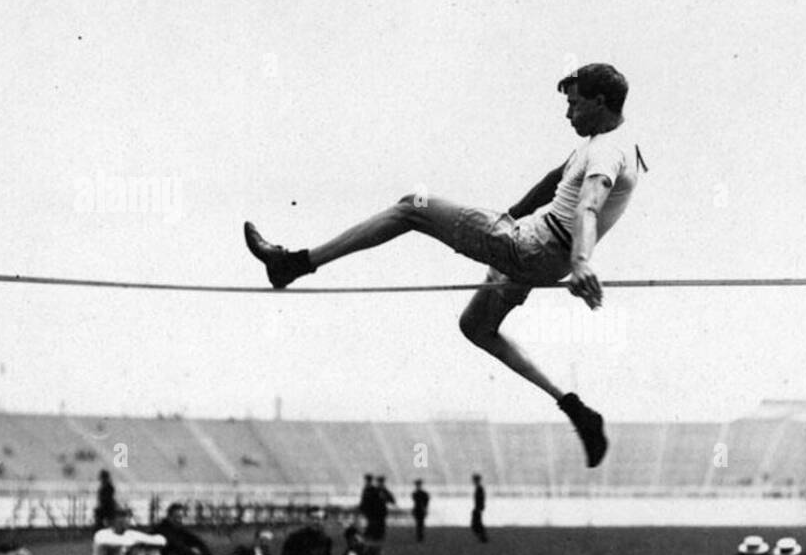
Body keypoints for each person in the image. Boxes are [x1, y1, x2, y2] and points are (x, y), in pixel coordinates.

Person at [243, 64, 647, 469]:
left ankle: (294, 264)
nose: (567, 114)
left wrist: (581, 261)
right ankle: (574, 407)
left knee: (411, 207)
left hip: (533, 249)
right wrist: (510, 215)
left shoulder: (606, 151)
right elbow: (554, 181)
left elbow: (589, 205)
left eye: (574, 105)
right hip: (538, 254)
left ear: (599, 102)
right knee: (476, 327)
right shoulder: (606, 141)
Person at [471, 473, 488, 544]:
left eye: (474, 480)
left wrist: (479, 507)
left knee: (476, 524)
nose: (473, 481)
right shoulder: (479, 488)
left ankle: (483, 537)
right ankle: (482, 537)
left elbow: (481, 499)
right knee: (477, 523)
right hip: (478, 507)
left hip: (478, 508)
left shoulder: (479, 488)